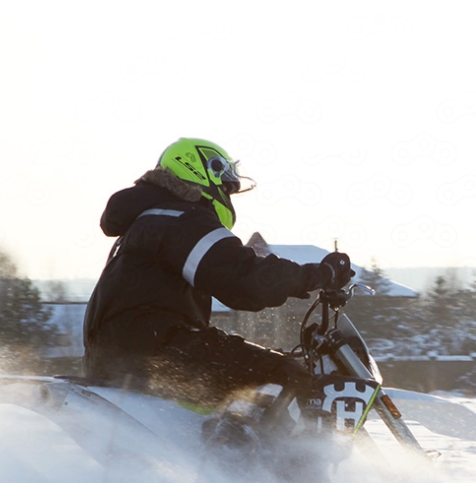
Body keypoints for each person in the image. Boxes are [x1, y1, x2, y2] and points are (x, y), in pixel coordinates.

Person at [83, 138, 355, 417]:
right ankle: (263, 457)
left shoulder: (154, 219)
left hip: (133, 349)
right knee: (284, 375)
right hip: (155, 348)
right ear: (197, 171)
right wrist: (320, 274)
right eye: (224, 185)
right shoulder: (178, 219)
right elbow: (244, 280)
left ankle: (234, 447)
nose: (226, 192)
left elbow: (235, 284)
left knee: (258, 372)